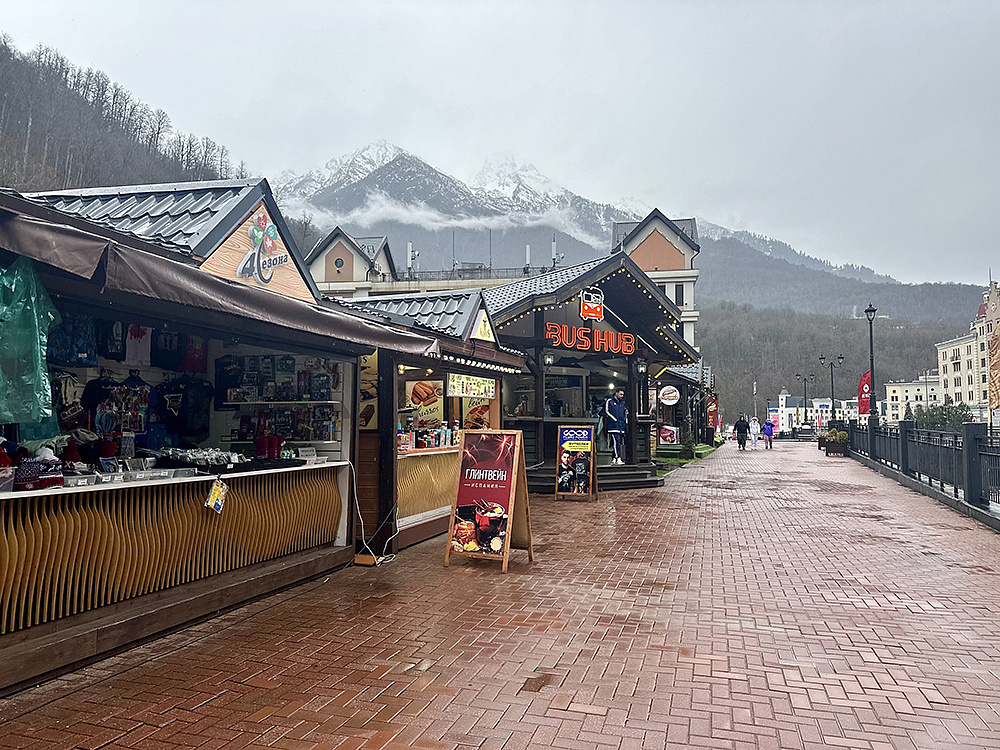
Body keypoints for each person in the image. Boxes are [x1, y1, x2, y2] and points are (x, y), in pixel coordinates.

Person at [605, 389, 628, 464]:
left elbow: (624, 412)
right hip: (613, 426)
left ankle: (614, 457)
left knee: (618, 442)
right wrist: (614, 419)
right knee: (616, 441)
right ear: (616, 393)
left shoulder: (622, 403)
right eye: (621, 394)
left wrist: (625, 421)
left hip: (621, 425)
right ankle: (618, 457)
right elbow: (607, 411)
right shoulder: (610, 401)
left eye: (623, 395)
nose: (622, 396)